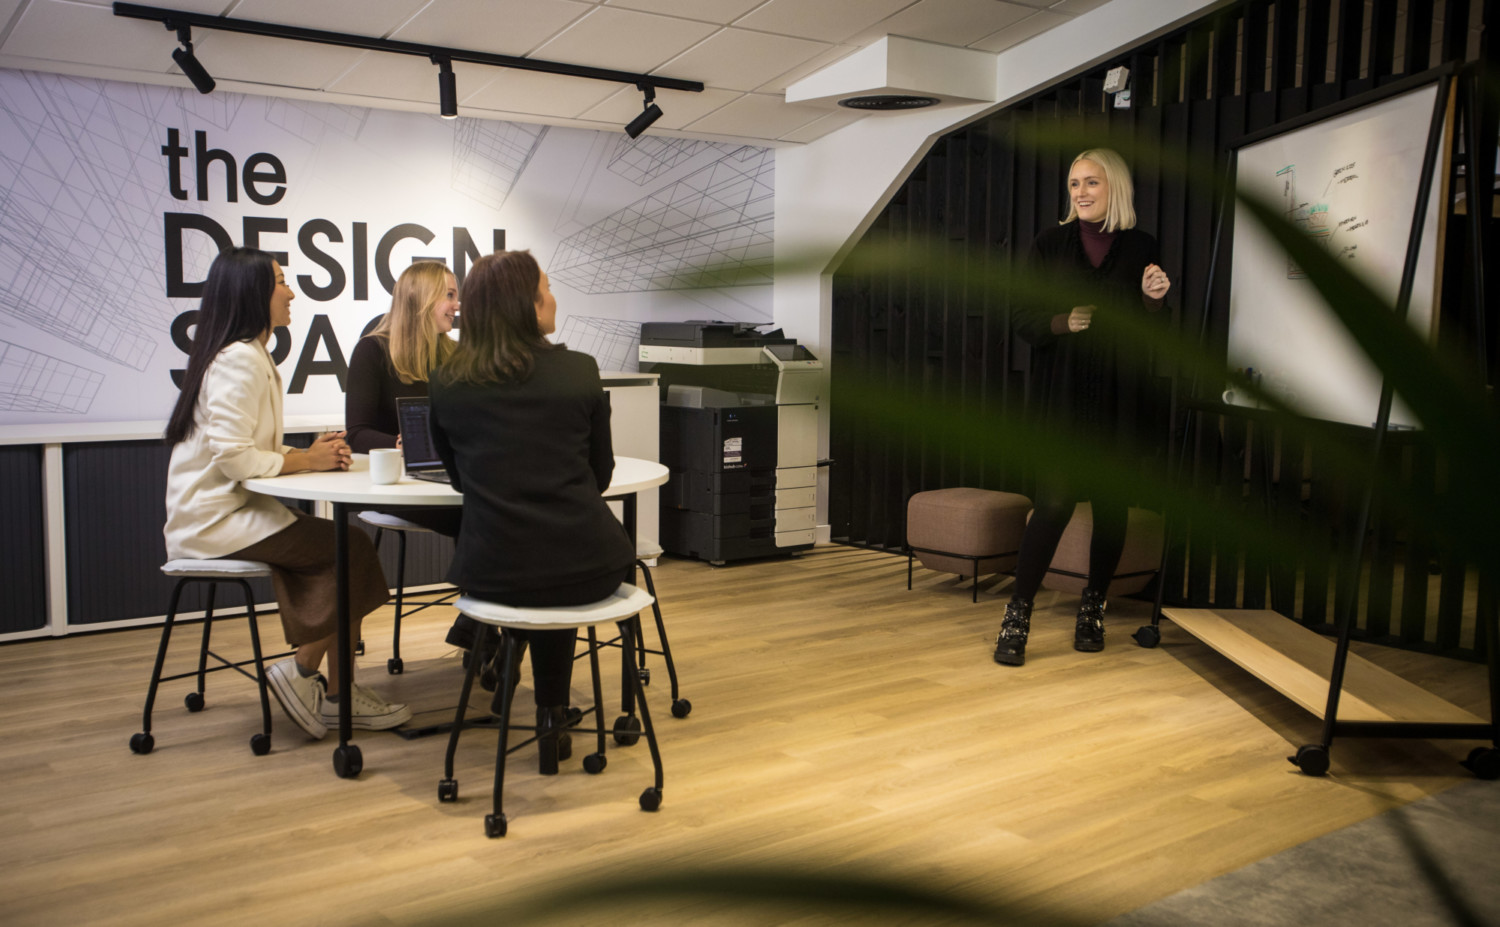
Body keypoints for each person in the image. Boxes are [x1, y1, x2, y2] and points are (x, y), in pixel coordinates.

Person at [164, 246, 410, 737]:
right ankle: (308, 678)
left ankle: (327, 687)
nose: (291, 291)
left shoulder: (245, 355)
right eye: (281, 281)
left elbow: (246, 448)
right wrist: (305, 459)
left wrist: (306, 453)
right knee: (350, 546)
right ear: (254, 292)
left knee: (346, 546)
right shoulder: (240, 360)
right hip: (216, 520)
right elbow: (234, 458)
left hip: (226, 512)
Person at [429, 250, 633, 775]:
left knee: (536, 576)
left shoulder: (448, 383)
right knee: (556, 571)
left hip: (493, 572)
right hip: (588, 564)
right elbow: (600, 475)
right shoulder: (579, 371)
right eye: (547, 287)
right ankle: (550, 714)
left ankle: (538, 702)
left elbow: (458, 481)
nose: (553, 297)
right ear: (526, 303)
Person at [994, 148, 1172, 667]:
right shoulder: (1049, 245)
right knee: (1053, 504)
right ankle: (1018, 613)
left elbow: (1156, 330)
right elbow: (1023, 316)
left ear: (1114, 187)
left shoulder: (1142, 246)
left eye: (1091, 183)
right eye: (1074, 184)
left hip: (1121, 396)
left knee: (1112, 507)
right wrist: (1060, 323)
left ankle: (1092, 606)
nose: (1080, 193)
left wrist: (1154, 299)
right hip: (1063, 398)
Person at [344, 261, 473, 647]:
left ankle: (477, 620)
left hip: (446, 474)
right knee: (480, 513)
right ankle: (478, 618)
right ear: (421, 299)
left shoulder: (454, 354)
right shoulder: (372, 351)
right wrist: (401, 444)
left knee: (490, 507)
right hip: (397, 483)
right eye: (449, 295)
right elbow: (357, 433)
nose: (457, 304)